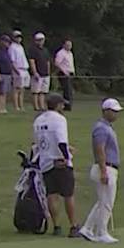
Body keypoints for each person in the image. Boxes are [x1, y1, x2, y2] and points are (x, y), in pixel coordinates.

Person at [32, 93, 82, 237]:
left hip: (46, 161)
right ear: (58, 105)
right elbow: (61, 141)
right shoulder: (60, 120)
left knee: (52, 194)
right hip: (60, 161)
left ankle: (57, 226)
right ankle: (73, 226)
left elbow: (38, 142)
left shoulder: (38, 120)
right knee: (68, 194)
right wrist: (66, 156)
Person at [80, 98, 124, 244]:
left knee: (102, 202)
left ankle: (87, 228)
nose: (116, 114)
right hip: (105, 167)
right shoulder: (101, 128)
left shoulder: (107, 127)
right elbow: (99, 150)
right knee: (106, 203)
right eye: (114, 111)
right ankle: (101, 232)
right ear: (106, 111)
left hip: (108, 167)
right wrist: (104, 170)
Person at [0, 34, 14, 114]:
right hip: (2, 73)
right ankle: (0, 108)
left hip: (8, 74)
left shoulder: (7, 52)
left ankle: (4, 107)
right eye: (6, 42)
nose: (7, 43)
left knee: (5, 92)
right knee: (1, 92)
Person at [8, 32, 30, 111]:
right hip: (18, 69)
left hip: (24, 68)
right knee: (16, 89)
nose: (18, 38)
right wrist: (16, 70)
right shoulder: (12, 47)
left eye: (20, 37)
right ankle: (16, 106)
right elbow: (12, 60)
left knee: (22, 89)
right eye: (17, 37)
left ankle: (21, 105)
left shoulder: (20, 47)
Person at [29, 32, 52, 109]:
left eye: (42, 40)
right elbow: (32, 61)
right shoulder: (33, 50)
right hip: (38, 73)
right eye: (39, 40)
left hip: (45, 73)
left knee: (43, 91)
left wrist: (48, 72)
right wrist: (35, 72)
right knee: (36, 91)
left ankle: (42, 106)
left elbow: (48, 61)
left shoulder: (45, 50)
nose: (40, 41)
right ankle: (36, 106)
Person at [54, 38, 75, 110]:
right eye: (68, 45)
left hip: (70, 73)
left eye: (70, 45)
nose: (69, 46)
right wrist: (64, 72)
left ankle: (69, 105)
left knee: (70, 90)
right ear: (64, 45)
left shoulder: (70, 53)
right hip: (63, 73)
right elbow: (57, 63)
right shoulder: (61, 53)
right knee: (67, 90)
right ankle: (66, 106)